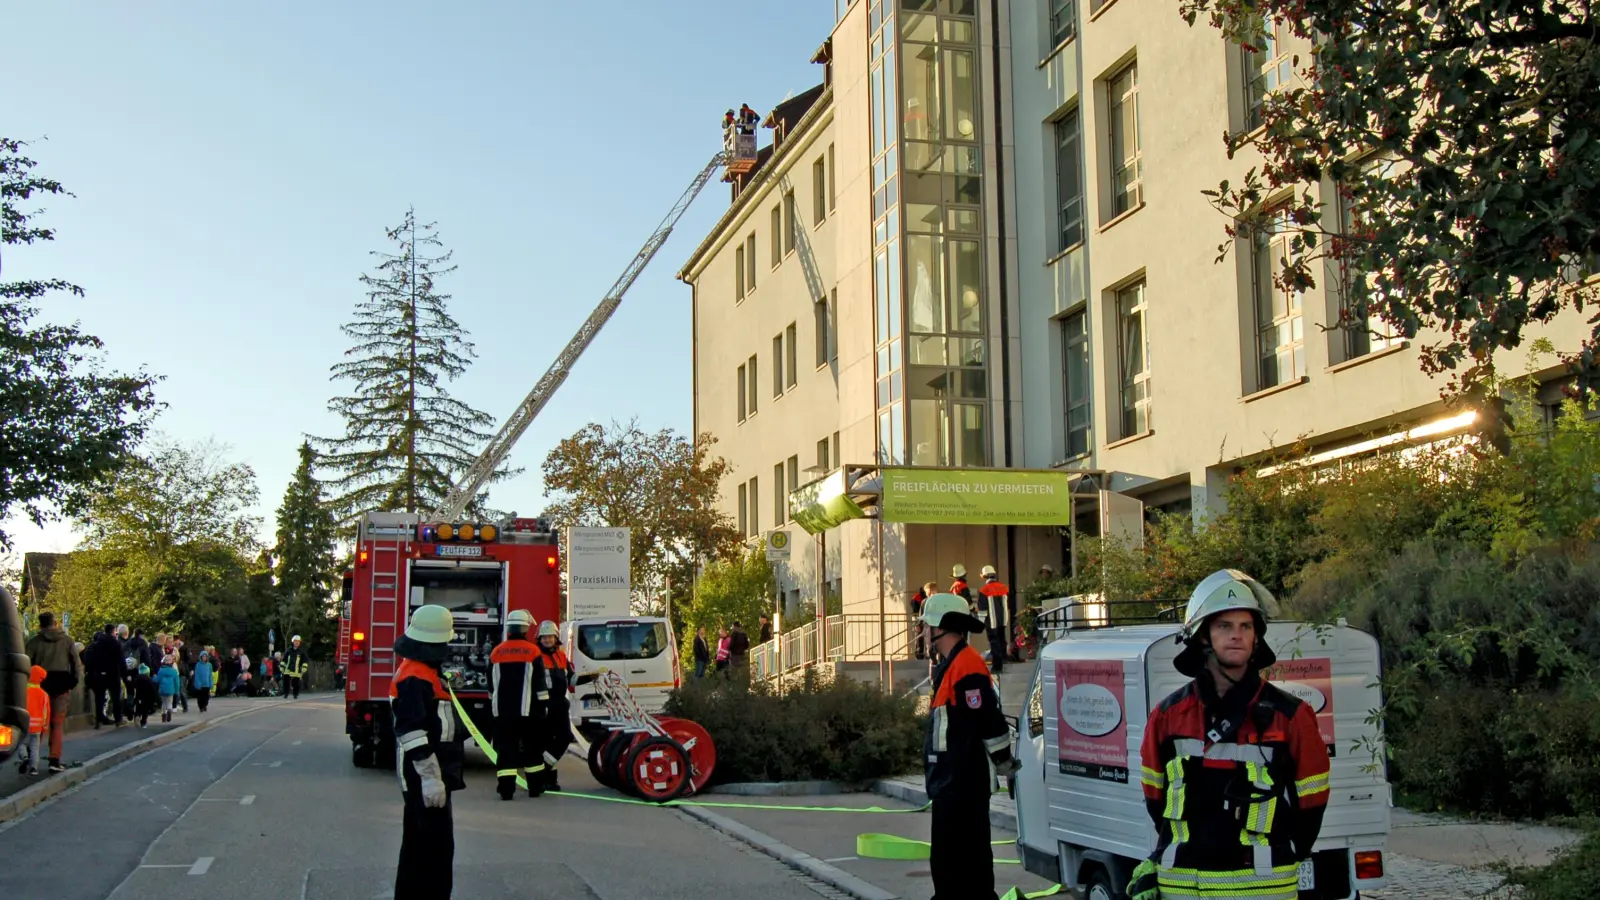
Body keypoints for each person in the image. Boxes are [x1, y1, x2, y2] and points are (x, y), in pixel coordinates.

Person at [1128, 570, 1331, 900]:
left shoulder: (1291, 717)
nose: (1236, 635)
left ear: (1256, 639)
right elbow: (1156, 802)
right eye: (1225, 626)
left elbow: (1312, 806)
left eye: (1245, 627)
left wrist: (1284, 850)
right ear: (1203, 636)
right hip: (1184, 887)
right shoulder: (1167, 716)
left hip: (1263, 888)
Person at [918, 593, 1016, 900]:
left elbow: (989, 722)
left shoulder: (967, 666)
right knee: (952, 866)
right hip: (951, 784)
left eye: (926, 626)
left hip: (963, 784)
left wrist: (1006, 765)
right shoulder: (953, 665)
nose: (923, 632)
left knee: (963, 869)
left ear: (940, 627)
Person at [391, 605, 466, 900]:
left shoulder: (420, 670)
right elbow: (411, 730)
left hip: (428, 775)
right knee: (431, 854)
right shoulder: (415, 677)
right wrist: (431, 778)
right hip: (424, 777)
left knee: (420, 850)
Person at [489, 610, 549, 800]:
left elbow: (491, 685)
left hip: (502, 713)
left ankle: (506, 790)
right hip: (529, 712)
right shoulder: (533, 651)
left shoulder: (496, 652)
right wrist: (544, 706)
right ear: (524, 628)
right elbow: (540, 684)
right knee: (532, 750)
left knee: (506, 750)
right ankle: (535, 787)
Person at [24, 612, 81, 773]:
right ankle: (54, 759)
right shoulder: (67, 641)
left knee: (36, 723)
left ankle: (31, 757)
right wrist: (72, 682)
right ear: (55, 623)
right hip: (62, 684)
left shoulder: (33, 642)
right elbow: (76, 665)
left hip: (39, 685)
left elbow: (25, 664)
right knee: (57, 723)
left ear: (40, 625)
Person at [533, 620, 574, 792]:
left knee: (564, 738)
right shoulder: (536, 657)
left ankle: (544, 773)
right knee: (547, 741)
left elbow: (572, 678)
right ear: (539, 639)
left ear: (556, 638)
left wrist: (591, 677)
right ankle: (547, 779)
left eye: (550, 637)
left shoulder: (561, 656)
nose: (548, 640)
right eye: (545, 637)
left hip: (560, 705)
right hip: (545, 706)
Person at [86, 623, 124, 727]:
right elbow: (120, 660)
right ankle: (118, 719)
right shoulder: (115, 644)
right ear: (113, 631)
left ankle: (99, 720)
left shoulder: (96, 644)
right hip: (113, 673)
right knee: (116, 697)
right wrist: (124, 674)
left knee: (99, 698)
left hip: (99, 673)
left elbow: (89, 659)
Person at [977, 565, 1012, 674]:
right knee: (1002, 639)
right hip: (1003, 619)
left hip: (991, 621)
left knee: (994, 642)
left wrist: (980, 623)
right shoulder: (1004, 587)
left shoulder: (984, 590)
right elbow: (1008, 604)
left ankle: (997, 667)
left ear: (984, 577)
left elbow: (982, 609)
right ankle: (1004, 659)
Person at [16, 666, 49, 776]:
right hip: (37, 726)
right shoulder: (44, 694)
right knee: (35, 747)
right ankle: (34, 767)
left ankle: (24, 757)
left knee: (20, 743)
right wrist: (45, 725)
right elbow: (46, 711)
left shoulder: (22, 692)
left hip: (24, 724)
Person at [155, 653, 182, 723]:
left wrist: (153, 678)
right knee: (169, 702)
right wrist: (176, 690)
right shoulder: (174, 671)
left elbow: (157, 680)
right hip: (171, 689)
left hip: (162, 689)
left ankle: (163, 716)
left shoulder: (161, 670)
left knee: (163, 703)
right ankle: (169, 710)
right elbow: (177, 682)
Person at [131, 663, 158, 728]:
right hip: (147, 698)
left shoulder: (137, 678)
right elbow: (153, 691)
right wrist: (154, 700)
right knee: (145, 711)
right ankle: (143, 722)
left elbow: (133, 687)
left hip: (139, 696)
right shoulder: (150, 680)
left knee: (138, 708)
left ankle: (137, 716)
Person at [283, 635, 309, 699]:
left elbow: (305, 660)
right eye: (295, 641)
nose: (297, 643)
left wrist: (304, 667)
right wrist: (282, 667)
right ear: (293, 642)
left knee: (296, 683)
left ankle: (295, 694)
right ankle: (286, 693)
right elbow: (284, 659)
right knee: (286, 682)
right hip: (288, 669)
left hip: (296, 670)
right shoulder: (288, 650)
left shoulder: (301, 651)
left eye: (298, 641)